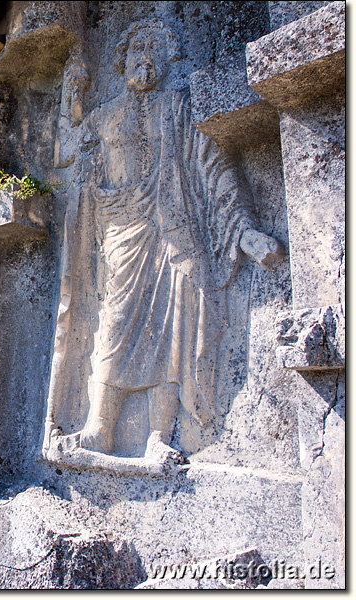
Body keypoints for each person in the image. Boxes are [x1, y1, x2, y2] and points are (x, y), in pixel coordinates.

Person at [54, 19, 283, 463]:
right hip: (119, 236)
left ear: (166, 59)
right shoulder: (102, 116)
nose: (146, 56)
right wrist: (70, 99)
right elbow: (65, 153)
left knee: (172, 333)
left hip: (172, 235)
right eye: (137, 46)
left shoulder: (177, 109)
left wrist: (243, 229)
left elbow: (212, 164)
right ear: (120, 59)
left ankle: (160, 433)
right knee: (114, 325)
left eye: (155, 49)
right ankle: (100, 427)